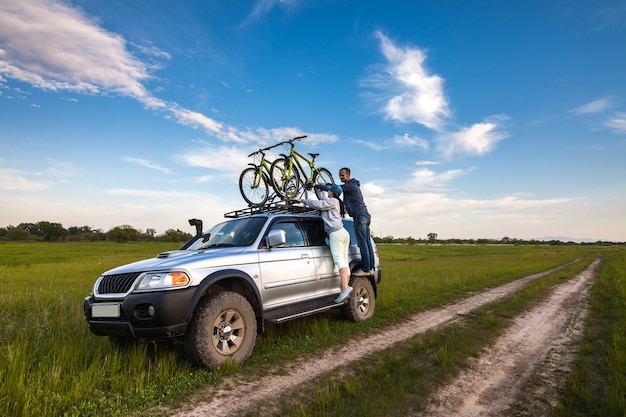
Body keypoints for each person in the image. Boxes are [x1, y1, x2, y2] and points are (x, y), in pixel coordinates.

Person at [297, 184, 352, 303]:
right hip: (342, 233)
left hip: (336, 234)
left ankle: (344, 288)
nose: (328, 191)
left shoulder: (332, 202)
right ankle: (345, 289)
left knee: (339, 260)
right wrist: (316, 186)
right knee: (344, 261)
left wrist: (302, 200)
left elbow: (319, 204)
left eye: (329, 190)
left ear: (332, 192)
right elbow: (322, 198)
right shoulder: (334, 202)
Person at [337, 167, 375, 276]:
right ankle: (371, 267)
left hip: (360, 216)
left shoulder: (350, 185)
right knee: (367, 243)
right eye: (340, 175)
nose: (341, 177)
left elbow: (336, 188)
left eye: (342, 175)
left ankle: (365, 269)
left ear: (348, 175)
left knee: (362, 243)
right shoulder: (353, 185)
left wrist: (321, 185)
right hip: (365, 215)